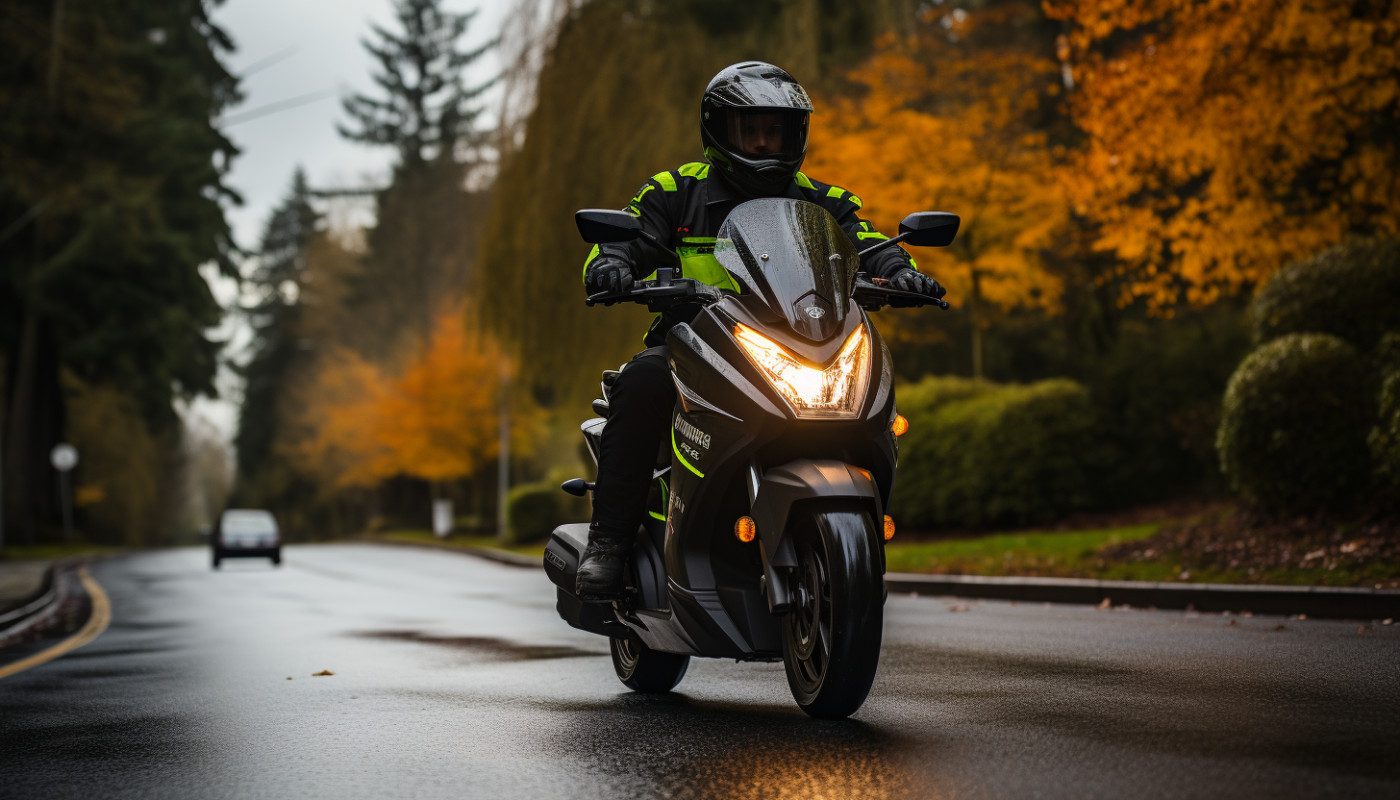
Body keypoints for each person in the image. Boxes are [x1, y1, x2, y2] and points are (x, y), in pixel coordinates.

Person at [576, 61, 946, 602]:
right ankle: (608, 543)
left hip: (802, 345)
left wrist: (900, 271)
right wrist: (611, 262)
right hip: (694, 344)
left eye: (776, 130)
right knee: (640, 386)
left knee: (870, 397)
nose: (764, 142)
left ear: (796, 135)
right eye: (751, 130)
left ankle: (853, 544)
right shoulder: (676, 191)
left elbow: (870, 242)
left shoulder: (823, 200)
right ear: (719, 131)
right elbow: (628, 237)